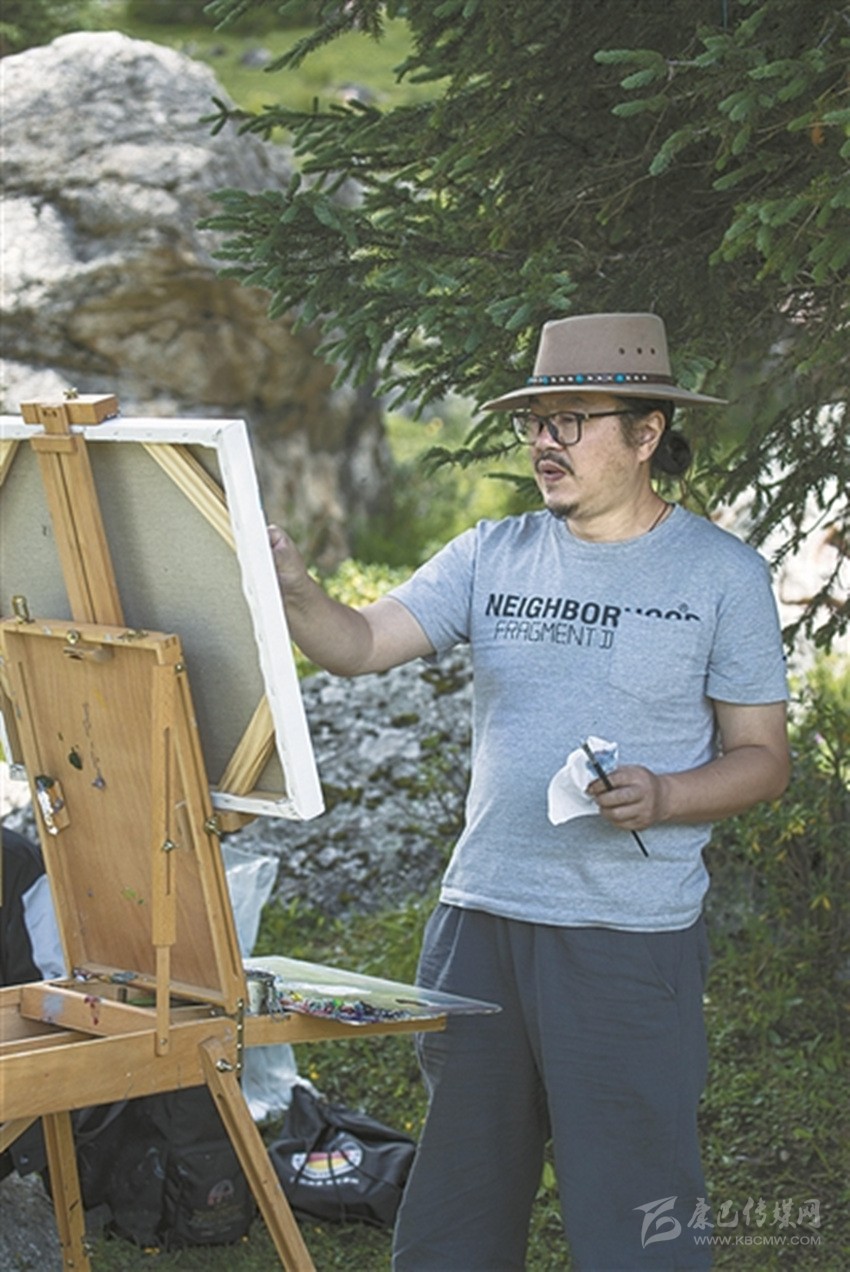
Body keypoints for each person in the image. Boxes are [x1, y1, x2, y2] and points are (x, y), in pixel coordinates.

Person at [270, 312, 790, 1270]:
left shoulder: (723, 576)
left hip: (629, 938)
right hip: (480, 925)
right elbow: (362, 645)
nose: (547, 442)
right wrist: (298, 590)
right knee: (458, 1207)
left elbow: (763, 757)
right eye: (536, 422)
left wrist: (667, 796)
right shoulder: (490, 553)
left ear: (646, 433)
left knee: (638, 1215)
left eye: (572, 421)